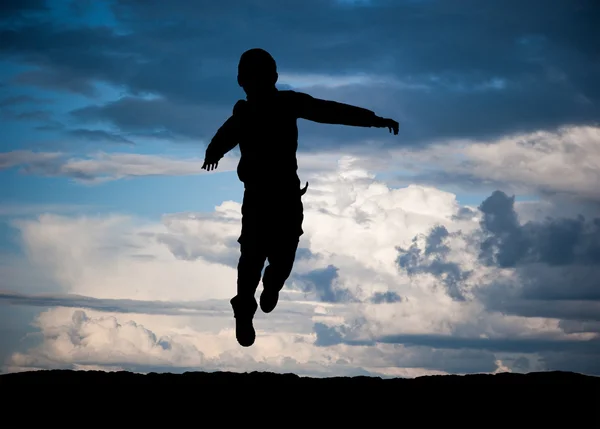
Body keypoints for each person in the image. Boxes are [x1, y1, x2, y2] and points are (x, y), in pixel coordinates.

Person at [202, 48, 399, 347]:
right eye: (252, 78)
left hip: (286, 198)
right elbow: (225, 135)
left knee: (281, 257)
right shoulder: (244, 114)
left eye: (262, 77)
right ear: (242, 81)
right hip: (258, 198)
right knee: (251, 257)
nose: (257, 83)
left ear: (274, 78)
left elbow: (332, 111)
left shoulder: (287, 103)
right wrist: (213, 151)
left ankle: (272, 284)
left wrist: (373, 120)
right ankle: (244, 307)